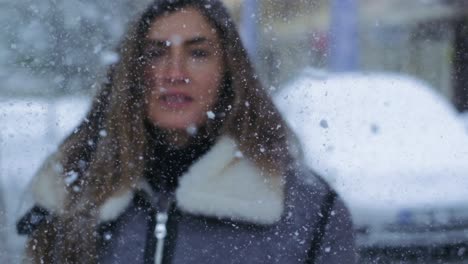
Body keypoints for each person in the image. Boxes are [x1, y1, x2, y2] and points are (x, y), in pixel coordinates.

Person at [17, 0, 357, 263]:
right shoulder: (69, 191)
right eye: (155, 53)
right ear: (130, 73)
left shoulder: (307, 211)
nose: (174, 72)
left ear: (229, 71)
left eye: (197, 53)